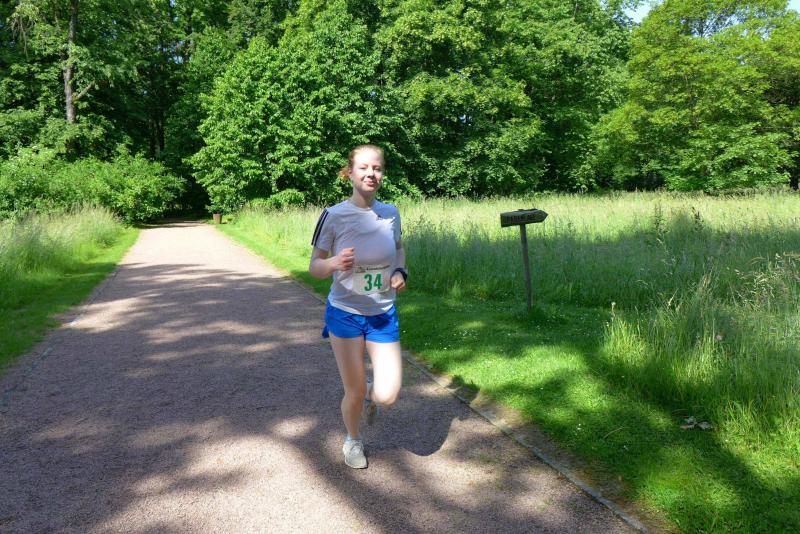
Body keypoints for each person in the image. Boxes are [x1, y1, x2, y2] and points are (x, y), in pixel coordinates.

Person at [308, 144, 408, 469]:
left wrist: (400, 271)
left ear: (382, 173)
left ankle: (369, 392)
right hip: (346, 314)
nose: (371, 174)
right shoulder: (334, 215)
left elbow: (399, 248)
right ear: (349, 173)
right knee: (353, 391)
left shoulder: (391, 213)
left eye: (376, 168)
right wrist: (334, 263)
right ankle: (352, 439)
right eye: (363, 168)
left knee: (388, 394)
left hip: (383, 314)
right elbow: (314, 267)